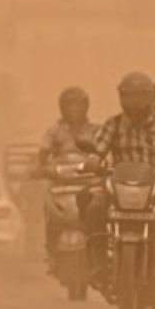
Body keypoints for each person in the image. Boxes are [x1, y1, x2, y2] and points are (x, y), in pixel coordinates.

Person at [84, 72, 155, 291]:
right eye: (129, 97)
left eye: (140, 97)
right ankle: (97, 261)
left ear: (152, 97)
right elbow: (98, 149)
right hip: (117, 184)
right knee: (90, 203)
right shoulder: (113, 124)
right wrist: (93, 160)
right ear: (121, 98)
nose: (135, 103)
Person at [38, 87, 99, 263]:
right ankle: (50, 248)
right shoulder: (54, 131)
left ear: (86, 107)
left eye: (78, 105)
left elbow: (105, 150)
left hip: (89, 180)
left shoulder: (95, 130)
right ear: (62, 108)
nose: (74, 109)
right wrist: (42, 168)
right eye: (69, 105)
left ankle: (102, 246)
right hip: (60, 181)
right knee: (49, 207)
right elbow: (43, 154)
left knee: (102, 206)